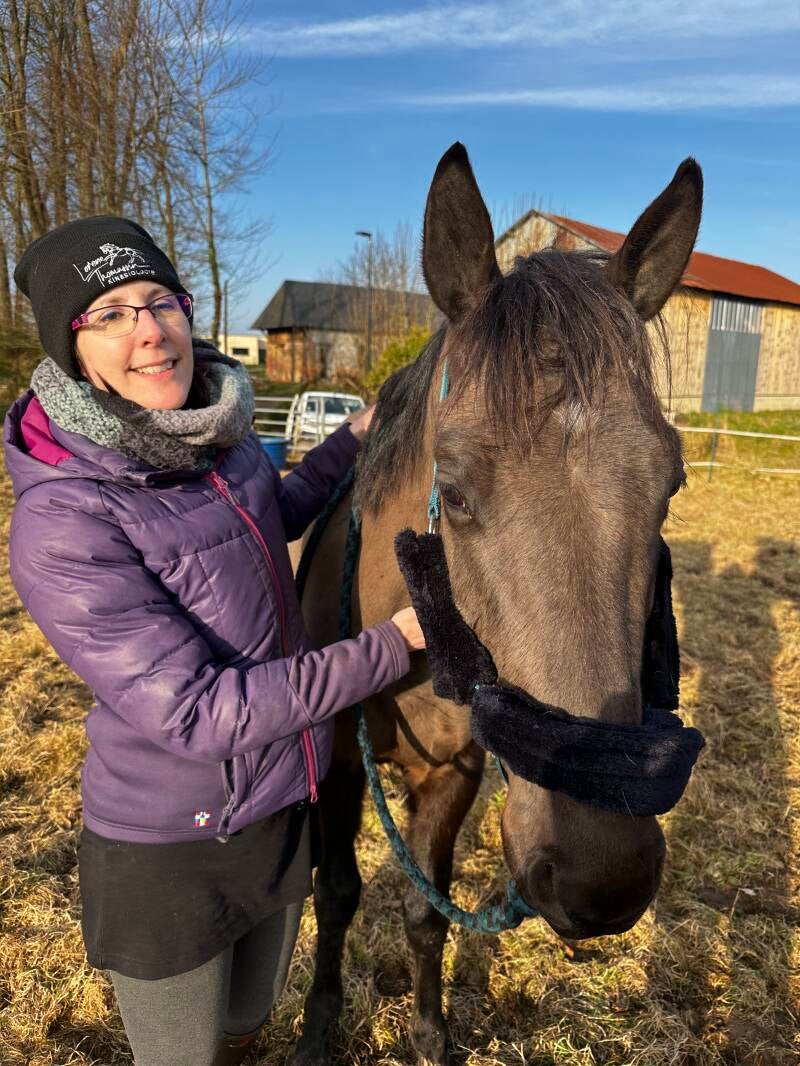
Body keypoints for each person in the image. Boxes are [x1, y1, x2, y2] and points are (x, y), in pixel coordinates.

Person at [3, 216, 425, 1066]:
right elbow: (196, 713)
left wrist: (358, 434)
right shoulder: (65, 520)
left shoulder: (219, 447)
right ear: (72, 349)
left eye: (161, 300)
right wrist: (395, 643)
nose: (150, 330)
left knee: (248, 1022)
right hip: (171, 849)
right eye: (111, 313)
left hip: (278, 802)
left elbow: (276, 511)